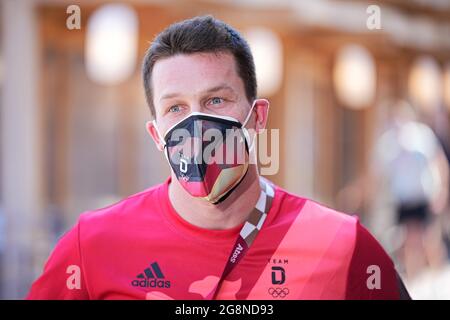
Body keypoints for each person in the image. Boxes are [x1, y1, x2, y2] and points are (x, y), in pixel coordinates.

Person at [27, 15, 410, 300]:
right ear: (156, 134)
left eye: (215, 100)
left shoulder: (342, 245)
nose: (196, 124)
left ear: (257, 117)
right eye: (175, 108)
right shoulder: (93, 245)